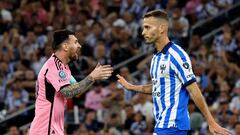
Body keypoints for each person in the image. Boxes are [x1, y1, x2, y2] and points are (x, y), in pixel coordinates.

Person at [116, 10, 230, 135]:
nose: (143, 32)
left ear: (162, 28)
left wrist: (211, 121)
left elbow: (193, 89)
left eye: (147, 27)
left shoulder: (177, 55)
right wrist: (131, 87)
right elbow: (159, 87)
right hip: (162, 123)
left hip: (173, 123)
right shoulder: (155, 57)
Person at [29, 29, 113, 135]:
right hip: (46, 129)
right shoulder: (54, 66)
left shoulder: (63, 68)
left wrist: (94, 77)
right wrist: (92, 76)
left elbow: (77, 91)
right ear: (65, 46)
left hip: (53, 128)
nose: (79, 46)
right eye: (75, 42)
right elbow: (68, 92)